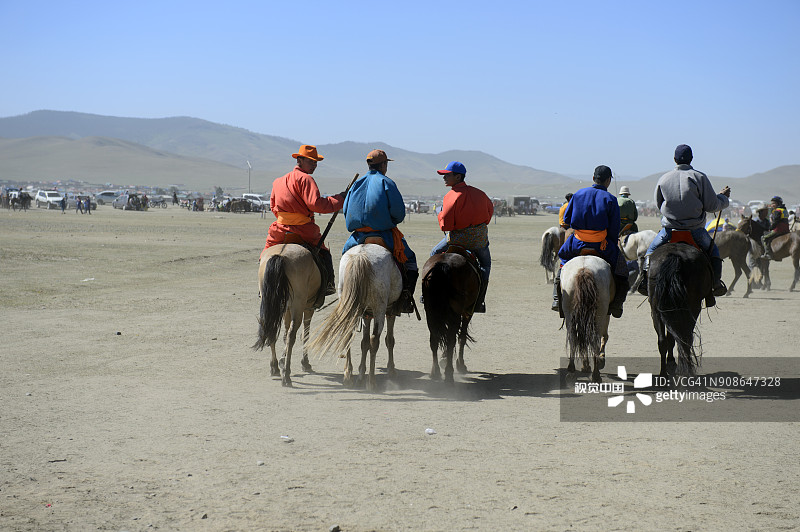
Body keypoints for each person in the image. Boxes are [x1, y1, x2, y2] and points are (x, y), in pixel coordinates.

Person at [639, 144, 730, 299]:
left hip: (669, 230)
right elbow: (712, 205)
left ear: (674, 159)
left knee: (650, 252)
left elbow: (659, 204)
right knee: (714, 251)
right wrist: (723, 198)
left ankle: (644, 282)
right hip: (695, 231)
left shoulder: (664, 179)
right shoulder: (700, 177)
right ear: (691, 158)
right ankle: (716, 283)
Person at [264, 144, 346, 305]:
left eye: (316, 162)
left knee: (265, 255)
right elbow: (317, 205)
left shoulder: (278, 181)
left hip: (279, 230)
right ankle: (328, 285)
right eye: (311, 161)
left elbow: (273, 206)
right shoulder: (306, 179)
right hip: (303, 231)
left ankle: (263, 290)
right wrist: (340, 199)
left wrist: (287, 218)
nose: (314, 164)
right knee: (324, 253)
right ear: (299, 160)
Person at [343, 149, 417, 313]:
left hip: (357, 237)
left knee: (345, 258)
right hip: (384, 235)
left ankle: (343, 296)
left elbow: (346, 210)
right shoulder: (387, 183)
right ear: (383, 165)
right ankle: (406, 298)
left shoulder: (355, 184)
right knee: (410, 260)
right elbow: (399, 213)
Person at [552, 165, 629, 318]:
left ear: (593, 178)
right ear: (608, 180)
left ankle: (556, 298)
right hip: (602, 244)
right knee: (622, 269)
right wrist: (608, 241)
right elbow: (614, 229)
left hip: (577, 242)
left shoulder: (578, 194)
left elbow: (567, 219)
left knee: (563, 259)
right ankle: (617, 304)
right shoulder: (611, 199)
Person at [429, 161, 494, 313]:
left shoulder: (451, 196)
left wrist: (440, 215)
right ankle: (479, 300)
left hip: (457, 239)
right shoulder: (480, 193)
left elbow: (446, 225)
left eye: (447, 175)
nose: (444, 178)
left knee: (434, 253)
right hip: (478, 240)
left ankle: (429, 292)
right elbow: (489, 213)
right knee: (485, 265)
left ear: (458, 177)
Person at [761, 196, 790, 260]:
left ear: (778, 203)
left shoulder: (777, 211)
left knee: (763, 238)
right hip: (786, 229)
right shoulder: (784, 210)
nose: (772, 205)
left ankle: (768, 253)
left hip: (778, 229)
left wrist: (771, 228)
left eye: (773, 203)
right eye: (771, 203)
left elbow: (775, 222)